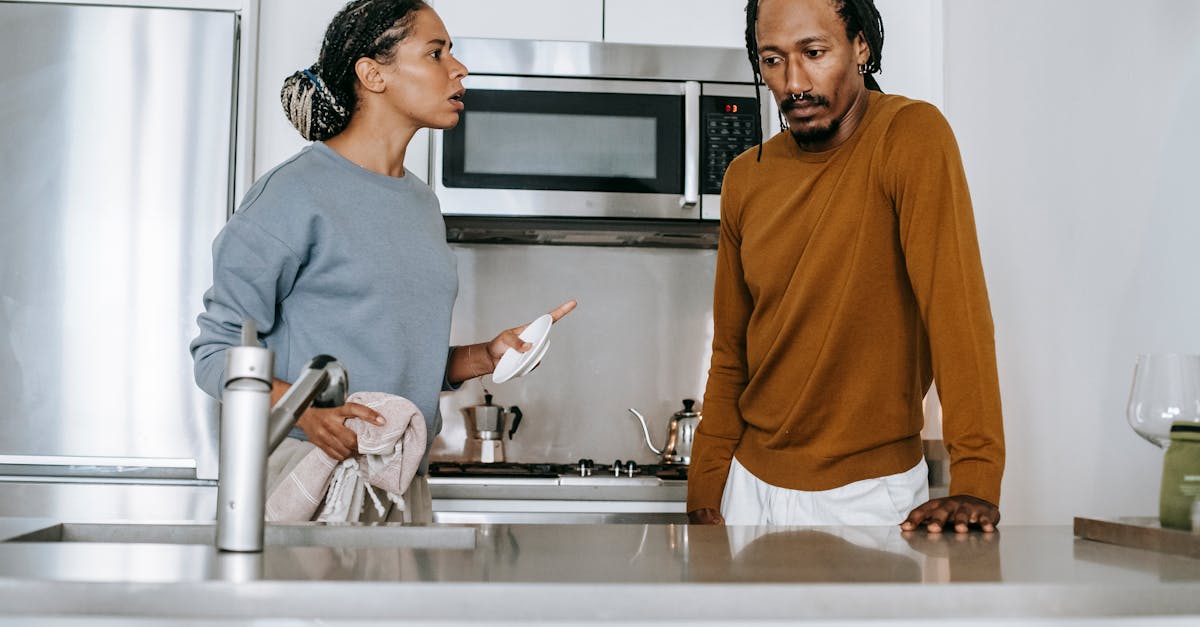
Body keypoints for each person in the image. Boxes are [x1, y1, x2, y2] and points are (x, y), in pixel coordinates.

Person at [190, 0, 575, 523]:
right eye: (435, 53)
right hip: (311, 473)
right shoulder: (293, 195)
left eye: (452, 53)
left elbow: (390, 356)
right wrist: (304, 410)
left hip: (401, 478)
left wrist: (485, 355)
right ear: (373, 74)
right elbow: (216, 353)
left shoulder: (421, 204)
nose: (459, 69)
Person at [687, 0, 1004, 533]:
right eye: (772, 60)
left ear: (861, 45)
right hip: (748, 490)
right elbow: (731, 354)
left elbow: (957, 315)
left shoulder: (910, 136)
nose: (794, 83)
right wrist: (705, 487)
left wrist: (976, 478)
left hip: (871, 497)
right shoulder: (746, 179)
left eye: (813, 53)